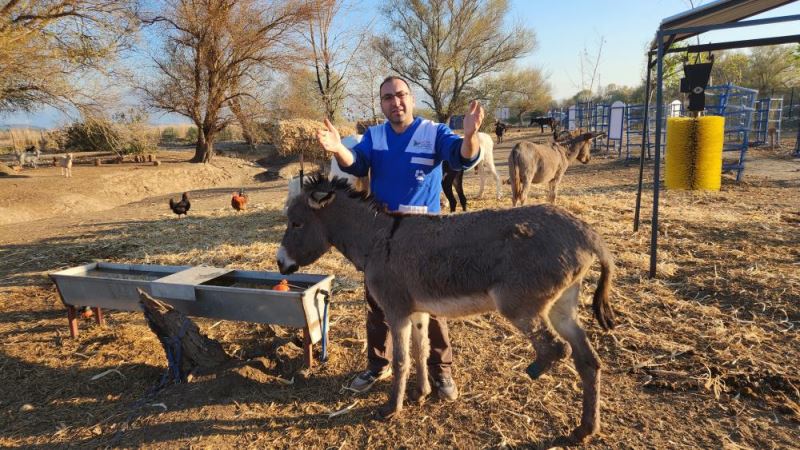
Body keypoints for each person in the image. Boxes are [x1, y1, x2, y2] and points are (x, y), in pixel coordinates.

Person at [316, 76, 484, 400]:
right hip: (383, 236)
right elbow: (356, 164)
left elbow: (460, 156)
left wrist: (470, 137)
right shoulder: (374, 136)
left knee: (432, 305)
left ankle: (441, 369)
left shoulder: (432, 132)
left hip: (425, 236)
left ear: (412, 97)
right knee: (378, 303)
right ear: (381, 104)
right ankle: (379, 365)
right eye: (388, 97)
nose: (396, 102)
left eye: (401, 95)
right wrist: (338, 148)